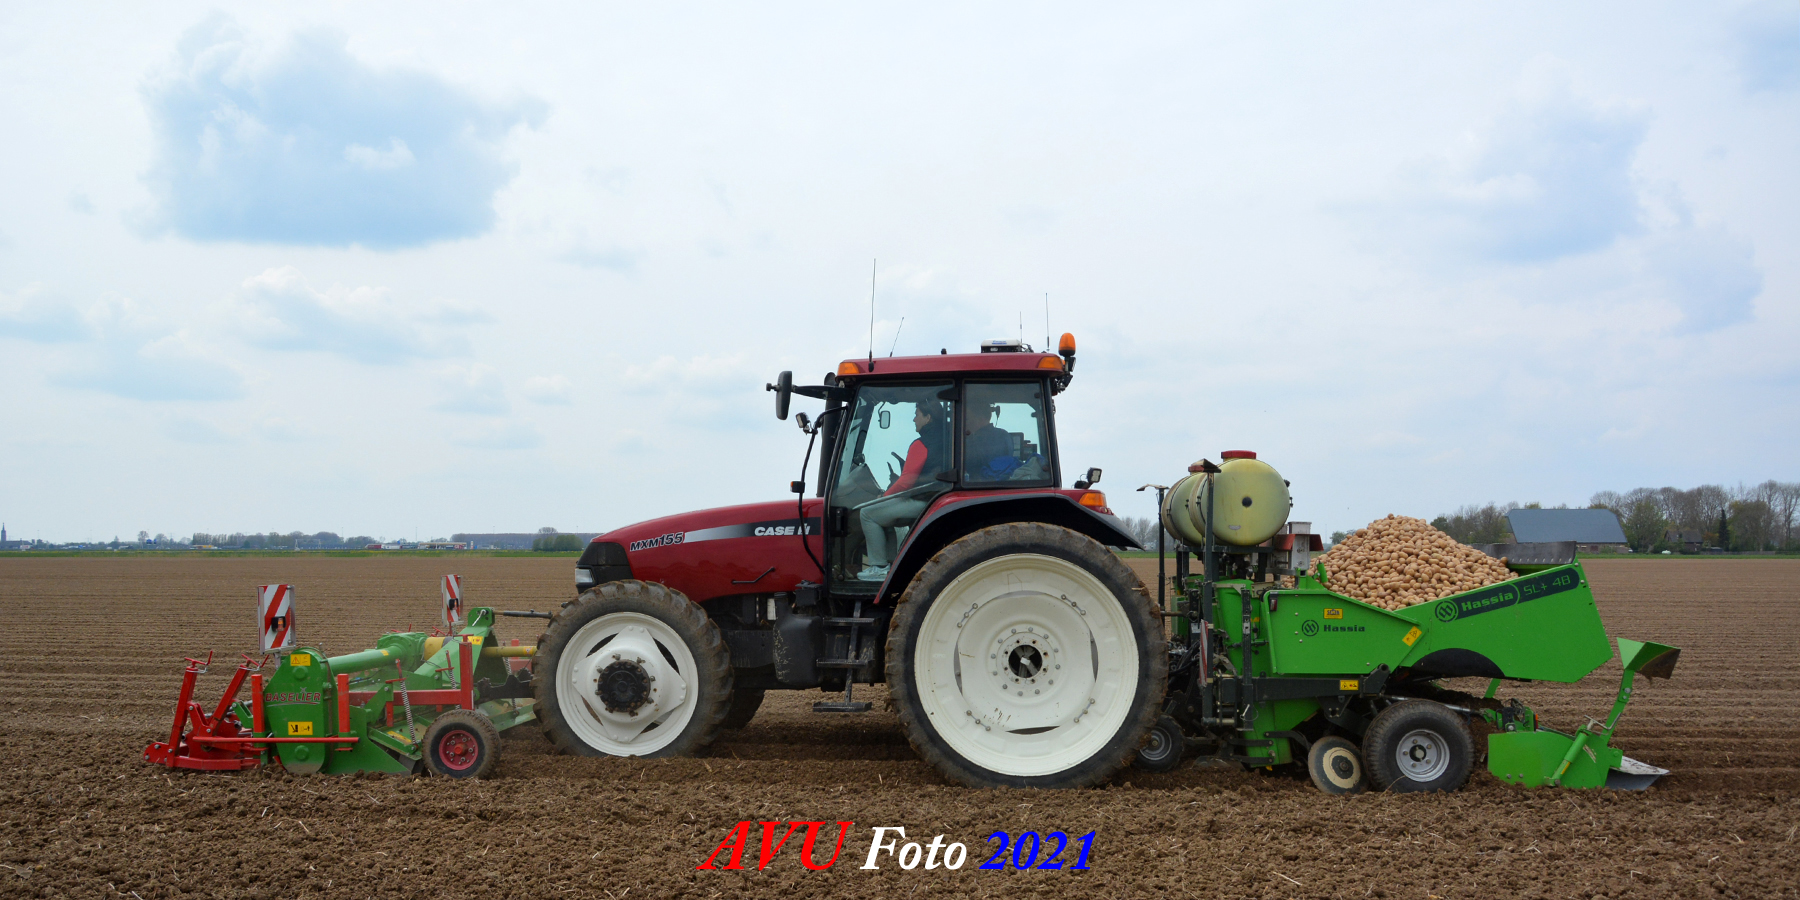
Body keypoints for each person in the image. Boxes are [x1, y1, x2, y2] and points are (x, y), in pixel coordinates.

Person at [858, 401, 948, 580]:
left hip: (923, 501)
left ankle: (879, 567)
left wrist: (883, 496)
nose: (914, 419)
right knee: (884, 514)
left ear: (928, 417)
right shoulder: (950, 439)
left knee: (867, 513)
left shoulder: (921, 444)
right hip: (939, 499)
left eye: (917, 414)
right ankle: (893, 564)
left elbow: (906, 482)